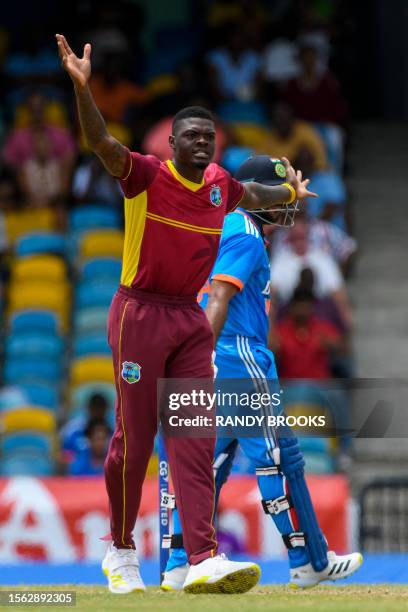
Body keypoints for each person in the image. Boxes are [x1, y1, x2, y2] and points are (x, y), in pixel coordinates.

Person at [56, 33, 315, 596]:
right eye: (191, 137)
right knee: (136, 437)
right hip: (139, 315)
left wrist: (289, 194)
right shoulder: (145, 175)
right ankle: (121, 551)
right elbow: (99, 141)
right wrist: (82, 90)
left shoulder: (220, 186)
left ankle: (201, 557)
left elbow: (252, 192)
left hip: (188, 323)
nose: (201, 144)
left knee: (193, 438)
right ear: (171, 142)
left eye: (208, 138)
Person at [162, 156, 362, 590]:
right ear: (257, 196)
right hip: (238, 357)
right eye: (278, 193)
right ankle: (308, 560)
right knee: (277, 460)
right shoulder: (246, 235)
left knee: (208, 464)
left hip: (219, 357)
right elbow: (219, 296)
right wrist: (201, 358)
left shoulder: (226, 225)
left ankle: (179, 564)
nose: (286, 203)